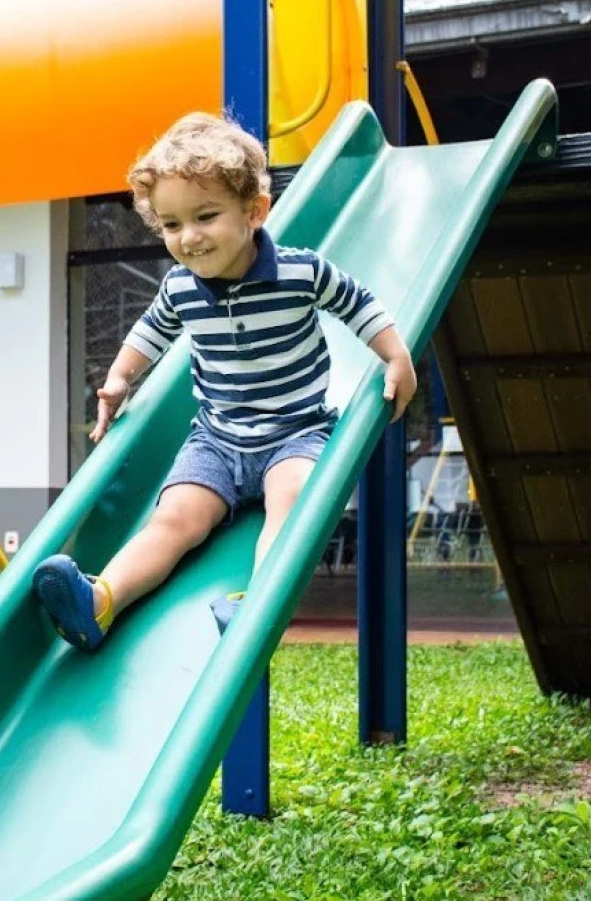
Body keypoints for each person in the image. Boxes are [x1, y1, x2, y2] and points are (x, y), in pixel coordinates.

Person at [31, 112, 417, 651]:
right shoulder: (180, 288)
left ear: (254, 211)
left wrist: (395, 356)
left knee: (293, 499)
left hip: (296, 432)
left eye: (205, 216)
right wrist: (119, 379)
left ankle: (255, 602)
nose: (188, 238)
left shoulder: (301, 273)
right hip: (216, 439)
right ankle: (99, 602)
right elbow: (151, 332)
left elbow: (358, 303)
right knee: (173, 521)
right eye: (170, 225)